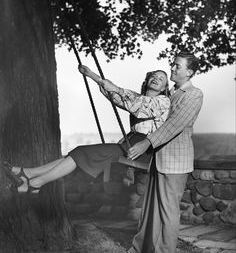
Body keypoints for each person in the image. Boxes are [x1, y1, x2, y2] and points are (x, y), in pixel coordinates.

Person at [3, 66, 170, 194]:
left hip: (141, 148)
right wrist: (92, 75)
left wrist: (117, 89)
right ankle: (28, 173)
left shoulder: (163, 101)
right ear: (147, 80)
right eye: (154, 76)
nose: (156, 78)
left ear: (164, 88)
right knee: (76, 153)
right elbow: (116, 96)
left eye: (161, 78)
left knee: (80, 152)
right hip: (129, 142)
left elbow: (138, 105)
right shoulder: (136, 97)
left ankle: (34, 183)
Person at [116, 51, 203, 253]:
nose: (172, 68)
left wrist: (146, 143)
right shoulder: (170, 93)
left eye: (177, 66)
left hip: (175, 162)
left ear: (190, 72)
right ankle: (139, 252)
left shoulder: (193, 94)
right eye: (172, 65)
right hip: (159, 158)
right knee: (150, 210)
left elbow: (175, 124)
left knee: (168, 213)